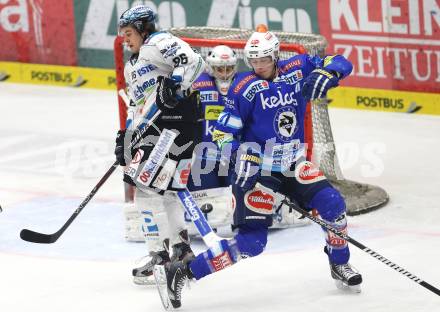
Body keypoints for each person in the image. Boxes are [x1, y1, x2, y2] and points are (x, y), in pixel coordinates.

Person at [163, 27, 362, 308]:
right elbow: (222, 133)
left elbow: (340, 61)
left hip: (293, 164)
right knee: (251, 244)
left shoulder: (298, 66)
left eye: (264, 60)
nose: (258, 66)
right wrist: (239, 154)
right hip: (257, 172)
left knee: (333, 205)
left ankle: (339, 263)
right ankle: (184, 271)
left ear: (276, 55)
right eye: (253, 60)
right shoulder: (243, 88)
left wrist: (331, 73)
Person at [114, 5, 205, 285]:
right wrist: (127, 136)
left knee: (144, 186)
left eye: (129, 33)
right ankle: (181, 251)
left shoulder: (158, 42)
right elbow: (137, 105)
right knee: (169, 189)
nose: (125, 39)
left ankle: (160, 256)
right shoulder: (133, 65)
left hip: (175, 124)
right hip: (159, 128)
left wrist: (175, 83)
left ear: (143, 29)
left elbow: (193, 61)